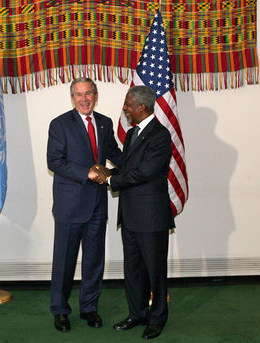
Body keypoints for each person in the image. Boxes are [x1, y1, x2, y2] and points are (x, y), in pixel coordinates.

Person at [46, 77, 121, 332]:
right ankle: (60, 310)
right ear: (72, 98)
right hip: (70, 207)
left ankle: (89, 308)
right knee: (64, 263)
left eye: (88, 93)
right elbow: (54, 162)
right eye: (79, 94)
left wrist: (140, 161)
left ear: (96, 95)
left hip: (98, 207)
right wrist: (87, 173)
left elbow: (115, 154)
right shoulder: (59, 125)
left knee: (93, 262)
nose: (84, 99)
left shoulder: (105, 123)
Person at [105, 86, 174, 340]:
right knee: (133, 269)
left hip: (151, 216)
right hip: (131, 214)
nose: (125, 108)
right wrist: (109, 172)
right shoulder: (133, 133)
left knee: (155, 270)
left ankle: (157, 318)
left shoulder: (160, 135)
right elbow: (128, 166)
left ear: (142, 107)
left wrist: (110, 180)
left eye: (128, 104)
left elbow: (145, 172)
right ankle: (137, 313)